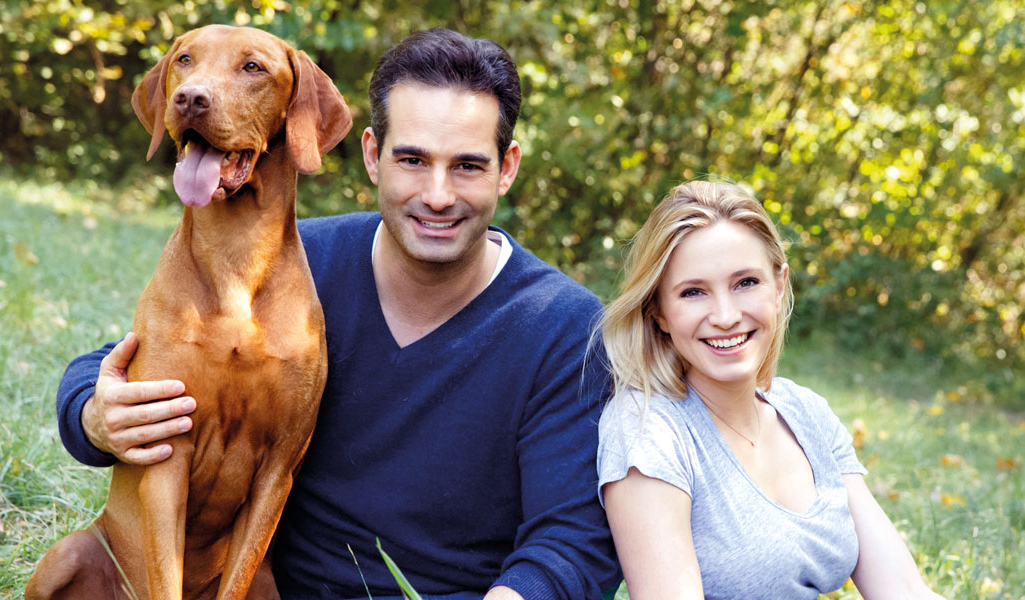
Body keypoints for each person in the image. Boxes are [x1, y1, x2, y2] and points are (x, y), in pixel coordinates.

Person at [54, 29, 618, 600]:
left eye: (468, 166)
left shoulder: (561, 326)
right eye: (413, 160)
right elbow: (124, 360)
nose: (439, 195)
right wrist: (91, 416)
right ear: (373, 156)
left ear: (507, 168)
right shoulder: (292, 265)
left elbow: (573, 540)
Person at [595, 180, 945, 599]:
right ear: (659, 313)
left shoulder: (805, 412)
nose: (725, 316)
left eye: (745, 283)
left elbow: (903, 591)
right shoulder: (648, 429)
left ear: (779, 286)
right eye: (693, 292)